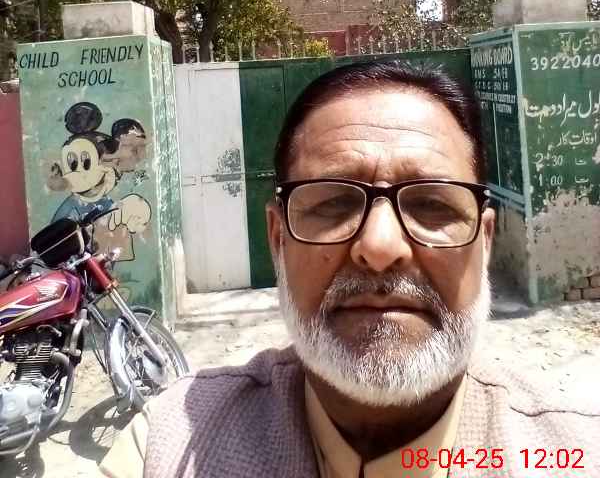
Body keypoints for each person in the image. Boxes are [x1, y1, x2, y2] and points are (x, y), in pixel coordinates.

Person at [99, 60, 600, 478]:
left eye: (431, 205)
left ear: (484, 241)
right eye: (333, 203)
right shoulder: (166, 444)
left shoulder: (573, 451)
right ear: (277, 239)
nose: (379, 247)